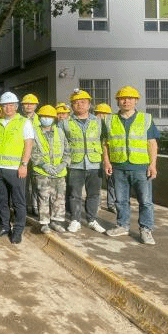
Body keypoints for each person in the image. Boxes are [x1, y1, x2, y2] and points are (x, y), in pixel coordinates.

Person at [102, 86, 160, 245]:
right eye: (122, 98)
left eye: (130, 98)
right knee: (120, 200)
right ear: (117, 101)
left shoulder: (145, 118)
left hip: (141, 167)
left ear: (136, 101)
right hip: (118, 166)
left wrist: (153, 165)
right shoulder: (109, 120)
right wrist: (106, 161)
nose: (126, 101)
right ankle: (122, 225)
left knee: (145, 201)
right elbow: (105, 143)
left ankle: (146, 229)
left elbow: (152, 143)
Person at [59, 89, 106, 234]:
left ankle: (92, 220)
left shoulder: (98, 122)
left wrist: (106, 161)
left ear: (89, 104)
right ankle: (75, 220)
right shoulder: (65, 123)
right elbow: (59, 144)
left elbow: (105, 142)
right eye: (76, 103)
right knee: (74, 194)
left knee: (94, 194)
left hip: (94, 163)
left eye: (83, 102)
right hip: (75, 164)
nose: (79, 105)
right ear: (71, 106)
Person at [0, 92, 34, 244]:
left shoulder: (24, 122)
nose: (8, 108)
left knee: (18, 202)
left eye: (11, 105)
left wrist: (24, 164)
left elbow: (29, 144)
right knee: (1, 200)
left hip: (16, 169)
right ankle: (4, 226)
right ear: (1, 107)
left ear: (16, 106)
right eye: (5, 105)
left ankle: (17, 230)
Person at [32, 105, 70, 233]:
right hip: (42, 172)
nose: (46, 118)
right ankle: (44, 223)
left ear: (54, 118)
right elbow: (32, 151)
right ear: (39, 117)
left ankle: (56, 222)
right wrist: (44, 165)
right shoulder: (34, 132)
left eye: (49, 116)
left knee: (59, 198)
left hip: (59, 172)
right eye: (43, 116)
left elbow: (67, 151)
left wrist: (62, 165)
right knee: (43, 197)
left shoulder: (60, 132)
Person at [93, 102, 117, 213]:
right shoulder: (92, 126)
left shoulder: (112, 126)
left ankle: (112, 204)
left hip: (110, 158)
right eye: (99, 114)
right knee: (96, 183)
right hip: (96, 157)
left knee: (112, 182)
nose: (101, 116)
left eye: (104, 114)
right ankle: (96, 204)